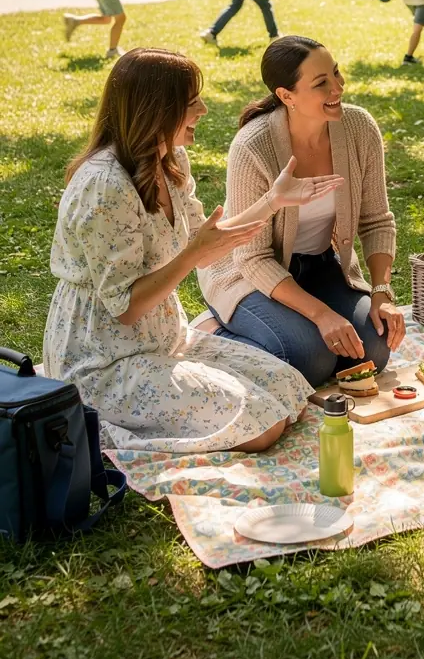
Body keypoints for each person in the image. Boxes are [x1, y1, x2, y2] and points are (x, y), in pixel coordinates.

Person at [43, 49, 314, 453]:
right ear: (156, 111)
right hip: (104, 360)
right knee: (262, 425)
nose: (203, 109)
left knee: (290, 389)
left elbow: (208, 246)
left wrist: (272, 201)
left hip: (165, 339)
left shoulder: (169, 159)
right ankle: (97, 423)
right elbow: (126, 307)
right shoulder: (104, 186)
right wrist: (190, 253)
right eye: (191, 103)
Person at [201, 36, 406, 388]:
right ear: (286, 96)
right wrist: (321, 315)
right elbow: (252, 258)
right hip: (248, 273)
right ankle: (209, 337)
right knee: (309, 359)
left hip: (320, 265)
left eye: (337, 74)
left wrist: (382, 293)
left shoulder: (359, 128)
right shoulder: (254, 146)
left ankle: (299, 328)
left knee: (372, 349)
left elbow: (376, 221)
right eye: (321, 83)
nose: (338, 87)